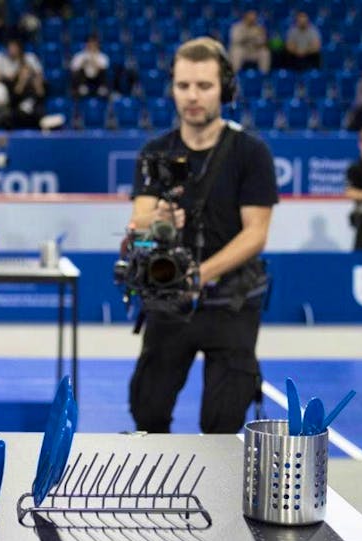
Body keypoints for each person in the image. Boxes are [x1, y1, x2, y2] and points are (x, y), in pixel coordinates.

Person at [127, 38, 278, 434]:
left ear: (225, 89)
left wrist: (200, 275)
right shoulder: (155, 151)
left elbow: (256, 234)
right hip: (170, 300)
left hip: (231, 302)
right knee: (148, 409)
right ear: (173, 88)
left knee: (223, 420)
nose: (192, 96)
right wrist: (156, 217)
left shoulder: (251, 152)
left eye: (204, 86)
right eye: (183, 86)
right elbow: (139, 218)